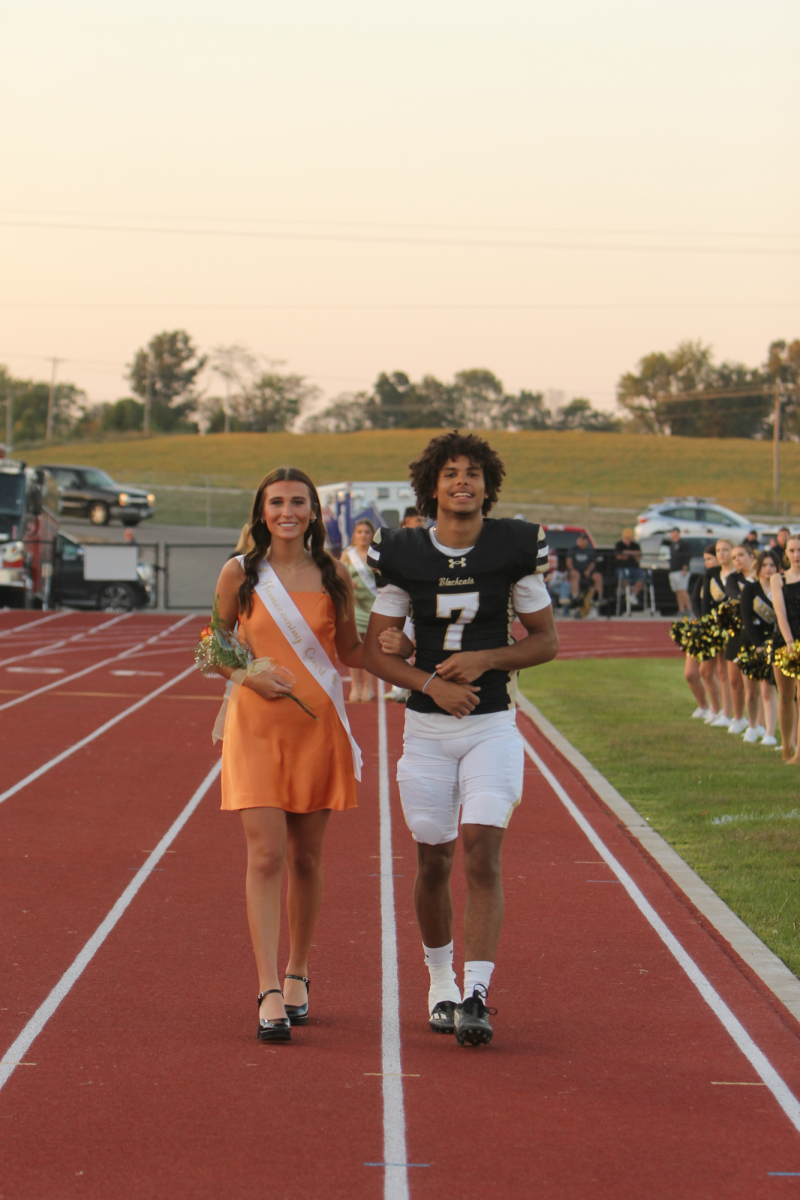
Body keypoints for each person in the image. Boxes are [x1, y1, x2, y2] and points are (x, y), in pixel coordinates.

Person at [362, 430, 559, 1046]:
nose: (462, 482)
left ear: (488, 484)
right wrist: (430, 682)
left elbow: (545, 640)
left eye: (472, 472)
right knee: (433, 857)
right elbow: (375, 650)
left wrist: (487, 660)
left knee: (480, 848)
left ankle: (476, 994)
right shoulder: (402, 551)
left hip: (492, 725)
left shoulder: (513, 547)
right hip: (425, 728)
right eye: (450, 474)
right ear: (432, 485)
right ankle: (439, 980)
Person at [210, 467, 367, 1043]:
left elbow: (350, 650)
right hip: (255, 729)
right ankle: (268, 986)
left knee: (306, 858)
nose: (287, 512)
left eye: (298, 502)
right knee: (266, 855)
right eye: (277, 502)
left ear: (314, 511)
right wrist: (248, 676)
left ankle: (299, 970)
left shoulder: (335, 575)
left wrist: (398, 649)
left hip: (316, 729)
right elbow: (212, 647)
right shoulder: (240, 572)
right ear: (261, 510)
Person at [384, 507, 427, 701]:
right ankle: (398, 686)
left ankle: (419, 685)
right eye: (417, 520)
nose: (421, 524)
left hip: (423, 603)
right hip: (402, 602)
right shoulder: (397, 545)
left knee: (423, 644)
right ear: (406, 523)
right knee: (399, 642)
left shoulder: (430, 544)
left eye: (423, 520)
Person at [739, 550, 779, 746]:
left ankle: (770, 733)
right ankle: (754, 726)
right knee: (751, 692)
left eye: (772, 565)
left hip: (774, 644)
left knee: (768, 690)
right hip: (751, 643)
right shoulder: (750, 589)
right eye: (764, 565)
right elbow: (746, 619)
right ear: (758, 567)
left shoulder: (781, 588)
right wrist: (758, 646)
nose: (768, 569)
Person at [701, 538, 738, 728]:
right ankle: (724, 711)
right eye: (719, 550)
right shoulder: (712, 573)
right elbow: (706, 601)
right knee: (719, 670)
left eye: (726, 550)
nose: (721, 554)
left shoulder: (738, 574)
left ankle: (733, 714)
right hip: (716, 627)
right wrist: (707, 625)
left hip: (735, 627)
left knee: (731, 674)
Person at [771, 534, 800, 764]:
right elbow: (780, 613)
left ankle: (799, 753)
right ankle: (786, 747)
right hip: (784, 641)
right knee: (785, 697)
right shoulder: (777, 578)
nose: (797, 555)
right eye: (792, 550)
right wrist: (790, 642)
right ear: (786, 553)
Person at [344, 517, 378, 702]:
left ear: (372, 535)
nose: (363, 535)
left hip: (373, 606)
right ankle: (355, 687)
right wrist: (348, 584)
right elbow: (339, 576)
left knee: (370, 648)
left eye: (367, 532)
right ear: (354, 535)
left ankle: (368, 687)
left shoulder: (377, 554)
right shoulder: (348, 554)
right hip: (354, 607)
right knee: (354, 647)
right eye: (359, 532)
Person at [567, 532, 603, 616]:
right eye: (579, 539)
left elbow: (592, 563)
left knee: (597, 576)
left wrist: (588, 571)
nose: (580, 541)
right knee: (574, 574)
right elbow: (569, 561)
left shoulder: (590, 550)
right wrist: (572, 569)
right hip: (576, 570)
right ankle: (575, 597)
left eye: (582, 539)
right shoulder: (573, 549)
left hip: (587, 571)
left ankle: (598, 598)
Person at [614, 528, 645, 607]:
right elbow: (619, 556)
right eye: (626, 537)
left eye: (629, 537)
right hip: (622, 568)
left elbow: (638, 556)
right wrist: (632, 554)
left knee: (642, 575)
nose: (628, 539)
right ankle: (628, 592)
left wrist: (628, 552)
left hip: (634, 568)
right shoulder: (619, 545)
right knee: (623, 575)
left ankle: (632, 595)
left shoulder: (635, 545)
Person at [665, 528, 692, 614]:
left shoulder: (683, 544)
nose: (671, 534)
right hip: (673, 570)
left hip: (681, 571)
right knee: (678, 591)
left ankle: (689, 608)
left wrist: (685, 568)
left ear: (677, 533)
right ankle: (681, 609)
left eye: (672, 532)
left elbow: (687, 556)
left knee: (683, 589)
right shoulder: (672, 544)